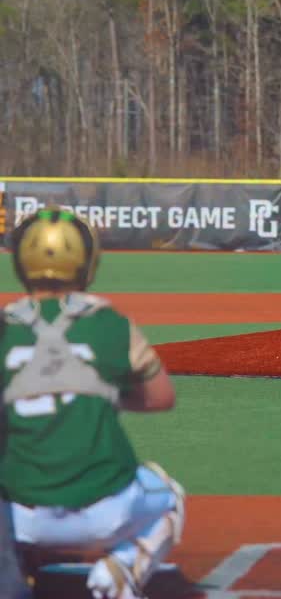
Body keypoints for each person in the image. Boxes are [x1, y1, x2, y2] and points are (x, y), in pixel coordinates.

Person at [0, 207, 184, 599]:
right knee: (170, 498)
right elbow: (161, 397)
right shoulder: (110, 323)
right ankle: (122, 570)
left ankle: (16, 565)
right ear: (87, 262)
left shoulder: (3, 327)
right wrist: (101, 395)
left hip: (19, 516)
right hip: (106, 509)